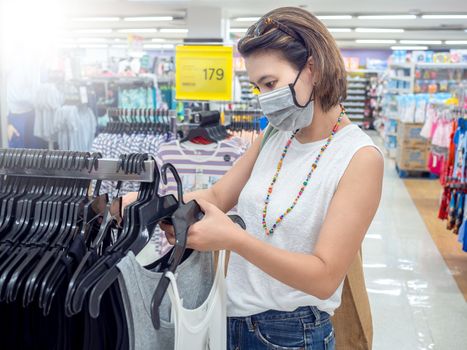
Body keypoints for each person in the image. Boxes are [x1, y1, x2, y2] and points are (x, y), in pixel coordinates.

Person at [124, 6, 383, 350]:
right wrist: (151, 207)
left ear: (314, 68)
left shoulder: (358, 157)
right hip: (228, 317)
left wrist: (234, 239)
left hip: (291, 333)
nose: (264, 98)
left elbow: (324, 277)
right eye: (257, 87)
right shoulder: (276, 135)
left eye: (270, 83)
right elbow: (218, 196)